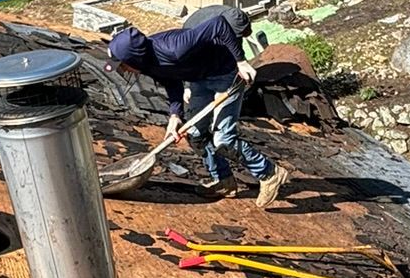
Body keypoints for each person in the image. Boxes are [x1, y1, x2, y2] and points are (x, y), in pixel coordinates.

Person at [106, 20, 288, 205]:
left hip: (226, 74)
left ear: (134, 58)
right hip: (199, 79)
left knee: (223, 140)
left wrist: (241, 62)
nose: (123, 70)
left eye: (122, 65)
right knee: (195, 134)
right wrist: (175, 115)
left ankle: (269, 173)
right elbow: (172, 81)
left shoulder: (175, 47)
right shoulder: (147, 64)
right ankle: (223, 180)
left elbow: (219, 25)